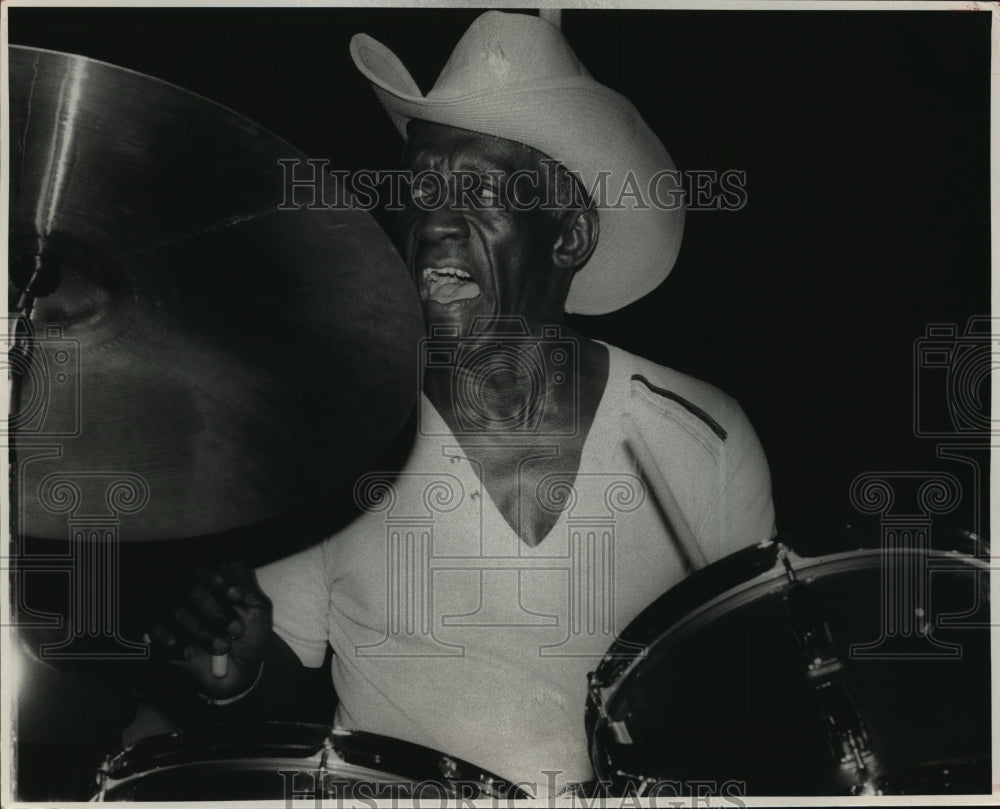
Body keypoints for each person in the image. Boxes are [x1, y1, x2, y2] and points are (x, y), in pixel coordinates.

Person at [148, 11, 776, 797]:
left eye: (477, 191)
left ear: (570, 235)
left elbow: (757, 703)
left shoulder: (704, 439)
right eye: (419, 191)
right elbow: (277, 689)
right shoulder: (344, 434)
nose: (431, 223)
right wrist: (232, 673)